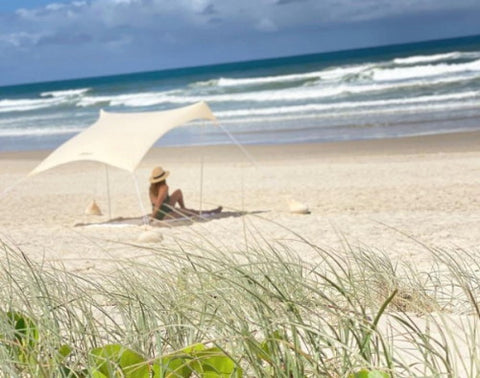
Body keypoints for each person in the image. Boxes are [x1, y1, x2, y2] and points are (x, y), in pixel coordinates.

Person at [149, 166, 222, 220]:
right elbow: (158, 204)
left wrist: (153, 216)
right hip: (165, 214)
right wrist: (152, 219)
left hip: (161, 211)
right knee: (191, 213)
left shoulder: (151, 189)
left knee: (178, 192)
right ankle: (211, 212)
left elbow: (156, 204)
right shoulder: (164, 187)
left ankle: (183, 208)